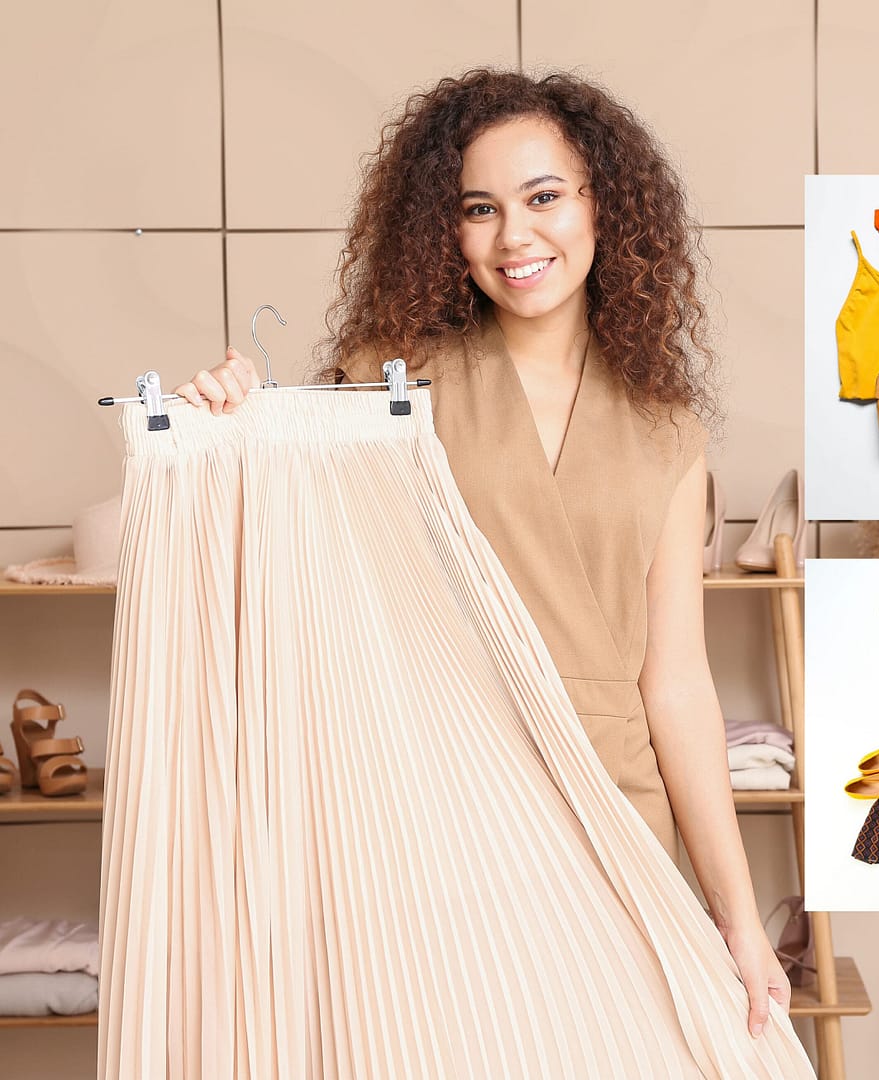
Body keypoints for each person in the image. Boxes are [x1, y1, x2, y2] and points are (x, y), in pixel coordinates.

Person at [175, 68, 792, 1045]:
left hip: (617, 811)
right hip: (442, 803)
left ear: (603, 203)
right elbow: (291, 561)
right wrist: (235, 422)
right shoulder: (392, 383)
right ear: (447, 232)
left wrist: (735, 917)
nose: (515, 237)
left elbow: (673, 683)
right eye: (480, 209)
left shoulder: (669, 429)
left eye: (543, 197)